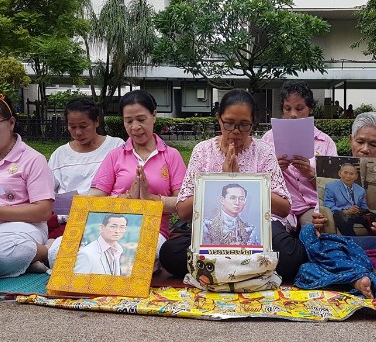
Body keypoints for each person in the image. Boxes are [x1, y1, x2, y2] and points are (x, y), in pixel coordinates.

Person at [159, 89, 306, 282]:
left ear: (253, 124)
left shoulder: (263, 151)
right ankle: (249, 271)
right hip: (212, 229)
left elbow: (284, 208)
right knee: (170, 253)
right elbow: (184, 210)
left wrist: (243, 181)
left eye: (244, 125)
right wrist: (222, 178)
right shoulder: (203, 151)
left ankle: (219, 270)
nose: (235, 131)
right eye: (229, 123)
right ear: (219, 119)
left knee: (291, 257)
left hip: (258, 229)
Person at [305, 112, 376, 296]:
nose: (365, 149)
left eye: (373, 144)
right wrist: (319, 220)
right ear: (351, 141)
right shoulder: (334, 174)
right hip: (341, 240)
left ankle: (346, 273)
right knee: (307, 233)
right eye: (360, 142)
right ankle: (367, 275)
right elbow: (323, 207)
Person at [86, 90, 186, 266]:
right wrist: (126, 199)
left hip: (152, 230)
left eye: (141, 119)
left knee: (137, 256)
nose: (135, 127)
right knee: (58, 252)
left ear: (154, 115)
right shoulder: (115, 155)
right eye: (128, 121)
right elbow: (94, 199)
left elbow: (183, 204)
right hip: (110, 230)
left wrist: (152, 199)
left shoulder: (171, 156)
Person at [0, 91, 55, 277]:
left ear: (11, 123)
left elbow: (43, 211)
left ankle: (48, 250)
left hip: (23, 226)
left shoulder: (33, 159)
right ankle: (28, 260)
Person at [261, 81, 337, 228]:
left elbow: (334, 187)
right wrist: (275, 169)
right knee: (276, 236)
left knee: (313, 230)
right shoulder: (268, 139)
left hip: (312, 207)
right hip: (280, 207)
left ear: (311, 109)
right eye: (287, 109)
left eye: (299, 108)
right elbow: (258, 180)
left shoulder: (325, 142)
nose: (293, 115)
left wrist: (311, 174)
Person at [48, 98, 124, 195]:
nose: (78, 132)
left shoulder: (116, 146)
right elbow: (47, 189)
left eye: (83, 126)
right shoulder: (60, 154)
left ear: (96, 121)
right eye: (72, 127)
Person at [324, 163, 376, 236]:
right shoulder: (331, 186)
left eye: (351, 174)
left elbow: (364, 206)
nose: (348, 176)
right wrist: (346, 211)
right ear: (340, 173)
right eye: (345, 173)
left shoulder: (361, 190)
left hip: (357, 214)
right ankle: (352, 240)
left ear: (356, 176)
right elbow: (328, 204)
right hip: (343, 214)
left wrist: (366, 210)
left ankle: (375, 238)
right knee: (338, 214)